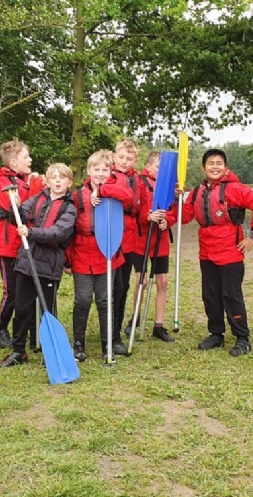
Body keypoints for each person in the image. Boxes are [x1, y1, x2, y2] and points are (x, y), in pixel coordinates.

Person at [181, 148, 253, 356]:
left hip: (230, 251)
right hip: (206, 251)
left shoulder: (235, 189)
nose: (215, 167)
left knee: (231, 295)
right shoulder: (197, 192)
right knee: (210, 295)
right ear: (203, 168)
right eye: (211, 163)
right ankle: (216, 334)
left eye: (219, 163)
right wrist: (176, 200)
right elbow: (184, 217)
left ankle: (242, 337)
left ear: (226, 167)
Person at [0, 163, 77, 367]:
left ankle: (51, 351)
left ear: (69, 182)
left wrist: (30, 232)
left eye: (62, 178)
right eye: (53, 177)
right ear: (47, 181)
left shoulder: (70, 208)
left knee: (47, 310)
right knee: (22, 308)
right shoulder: (36, 199)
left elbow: (58, 233)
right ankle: (18, 351)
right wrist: (15, 207)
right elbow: (19, 218)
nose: (57, 181)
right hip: (27, 261)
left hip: (49, 265)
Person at [65, 150, 132, 364]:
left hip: (107, 253)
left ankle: (107, 344)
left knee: (105, 300)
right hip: (82, 253)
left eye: (105, 170)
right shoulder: (77, 196)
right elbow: (69, 230)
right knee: (83, 300)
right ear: (89, 170)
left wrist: (102, 190)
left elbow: (128, 197)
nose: (101, 173)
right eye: (96, 169)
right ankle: (78, 344)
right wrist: (67, 260)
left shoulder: (115, 190)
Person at [0, 139, 33, 350]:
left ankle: (27, 327)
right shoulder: (3, 182)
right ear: (14, 162)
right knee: (12, 291)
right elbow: (13, 208)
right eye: (26, 157)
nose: (30, 160)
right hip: (9, 245)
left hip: (26, 243)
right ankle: (1, 327)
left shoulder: (25, 180)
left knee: (26, 290)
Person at [132, 150, 178, 343]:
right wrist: (147, 215)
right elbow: (135, 208)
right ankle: (134, 317)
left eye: (164, 168)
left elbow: (174, 210)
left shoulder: (171, 185)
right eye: (158, 167)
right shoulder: (139, 182)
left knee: (162, 282)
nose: (161, 171)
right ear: (149, 166)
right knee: (141, 281)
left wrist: (168, 220)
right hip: (142, 239)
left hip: (161, 240)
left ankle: (158, 325)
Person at [111, 139, 143, 355]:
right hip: (111, 237)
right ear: (114, 156)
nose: (124, 161)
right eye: (121, 157)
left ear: (135, 160)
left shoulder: (137, 179)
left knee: (123, 287)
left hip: (130, 239)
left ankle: (116, 332)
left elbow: (144, 204)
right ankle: (111, 333)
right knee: (114, 287)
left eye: (129, 158)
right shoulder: (106, 175)